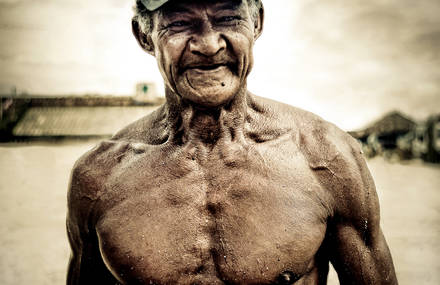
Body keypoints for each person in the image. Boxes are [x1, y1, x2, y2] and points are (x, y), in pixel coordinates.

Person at [66, 0, 398, 284]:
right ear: (144, 35)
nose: (209, 45)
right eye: (181, 23)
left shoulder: (328, 158)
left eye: (228, 18)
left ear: (256, 22)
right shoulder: (100, 176)